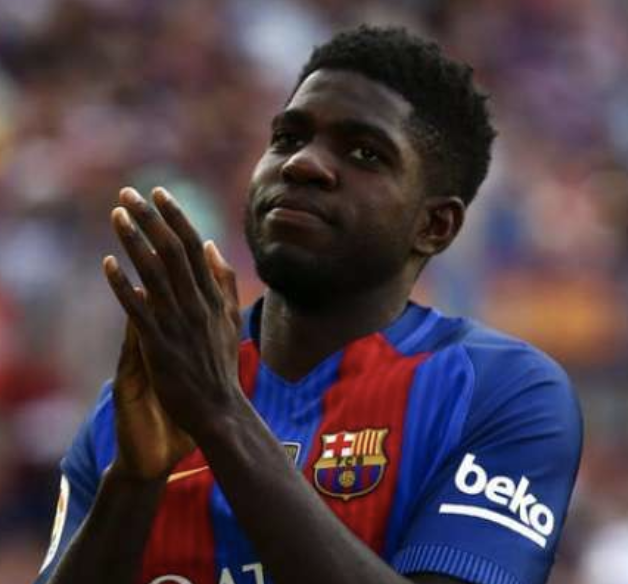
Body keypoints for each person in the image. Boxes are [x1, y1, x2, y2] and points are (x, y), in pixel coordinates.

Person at [34, 26, 582, 584]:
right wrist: (132, 485)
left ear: (434, 225)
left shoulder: (502, 393)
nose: (302, 164)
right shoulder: (140, 406)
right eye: (288, 137)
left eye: (365, 153)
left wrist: (220, 415)